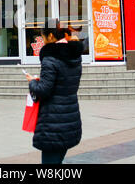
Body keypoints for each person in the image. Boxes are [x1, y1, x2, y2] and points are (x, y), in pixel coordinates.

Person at [25, 19, 84, 164]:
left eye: (43, 36)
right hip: (69, 119)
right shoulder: (74, 55)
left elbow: (43, 90)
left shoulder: (50, 59)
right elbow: (62, 82)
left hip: (53, 123)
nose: (43, 40)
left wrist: (32, 82)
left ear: (51, 36)